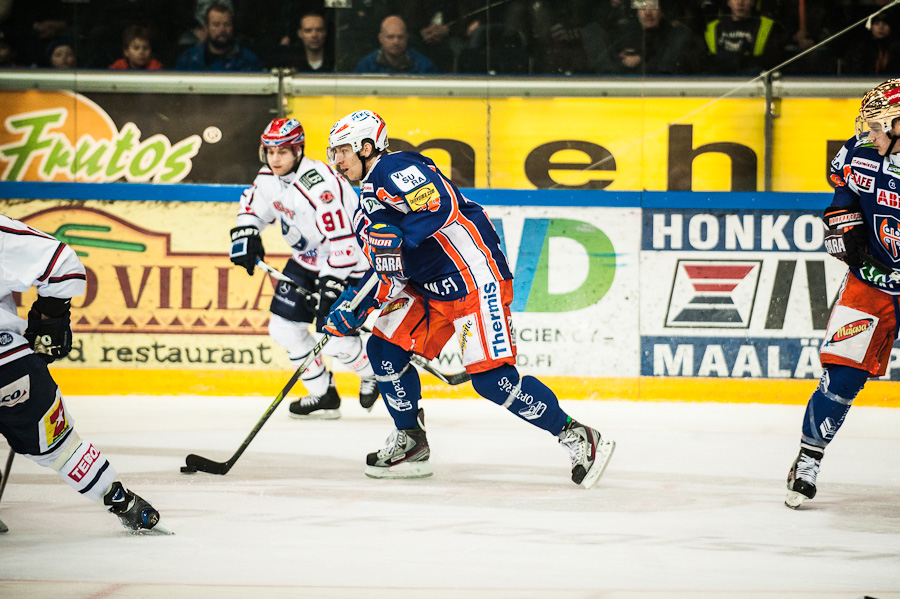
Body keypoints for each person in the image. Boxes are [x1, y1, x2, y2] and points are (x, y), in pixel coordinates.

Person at [323, 110, 616, 487]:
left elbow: (438, 205)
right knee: (383, 350)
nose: (338, 159)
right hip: (427, 287)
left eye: (344, 150)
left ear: (366, 147)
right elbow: (387, 267)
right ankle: (411, 440)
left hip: (473, 277)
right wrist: (354, 305)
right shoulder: (363, 201)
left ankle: (577, 435)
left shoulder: (393, 167)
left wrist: (397, 233)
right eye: (333, 151)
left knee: (494, 382)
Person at [0, 215, 167, 533]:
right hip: (9, 367)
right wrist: (50, 320)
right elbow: (63, 264)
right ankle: (124, 504)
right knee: (62, 448)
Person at [784, 78, 900, 509]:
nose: (868, 134)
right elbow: (841, 199)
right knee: (842, 376)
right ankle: (808, 460)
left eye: (877, 126)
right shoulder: (858, 154)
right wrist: (846, 229)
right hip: (872, 282)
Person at [229, 117, 379, 419]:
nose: (275, 159)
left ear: (298, 151)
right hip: (306, 261)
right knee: (283, 328)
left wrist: (332, 281)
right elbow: (252, 209)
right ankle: (323, 394)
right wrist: (247, 232)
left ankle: (370, 374)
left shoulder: (320, 184)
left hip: (347, 263)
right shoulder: (269, 178)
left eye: (282, 152)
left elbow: (345, 240)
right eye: (270, 152)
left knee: (336, 340)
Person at [703, 0, 784, 75]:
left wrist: (742, 61)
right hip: (717, 82)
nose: (740, 3)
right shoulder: (713, 27)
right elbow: (705, 61)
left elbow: (772, 60)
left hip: (752, 81)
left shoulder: (767, 26)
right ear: (728, 2)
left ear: (753, 2)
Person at [175, 2, 261, 72]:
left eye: (227, 24)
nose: (222, 29)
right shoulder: (188, 59)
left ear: (232, 27)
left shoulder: (248, 60)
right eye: (216, 25)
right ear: (206, 28)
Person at [354, 15, 437, 75]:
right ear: (380, 38)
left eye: (400, 37)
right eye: (390, 37)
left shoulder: (425, 67)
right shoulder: (365, 67)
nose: (396, 42)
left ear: (407, 38)